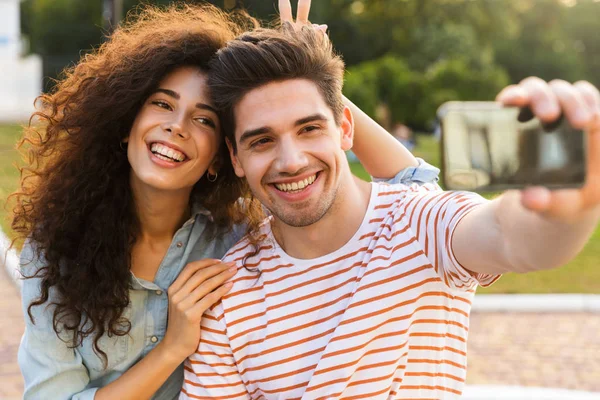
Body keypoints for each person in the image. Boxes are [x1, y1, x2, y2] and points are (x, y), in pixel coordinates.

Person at [13, 3, 435, 400]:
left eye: (203, 119)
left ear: (223, 156)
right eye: (162, 104)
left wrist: (307, 80)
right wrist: (171, 349)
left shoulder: (238, 241)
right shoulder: (54, 252)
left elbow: (414, 183)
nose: (177, 127)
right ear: (127, 123)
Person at [181, 8, 600, 400]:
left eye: (309, 129)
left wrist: (568, 211)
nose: (291, 161)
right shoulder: (228, 293)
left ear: (345, 128)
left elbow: (512, 237)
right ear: (235, 157)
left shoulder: (418, 223)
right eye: (262, 140)